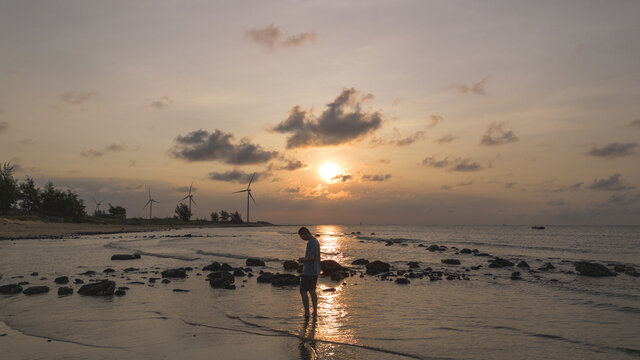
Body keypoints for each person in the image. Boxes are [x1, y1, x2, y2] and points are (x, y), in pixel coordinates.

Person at [297, 227, 320, 318]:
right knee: (312, 290)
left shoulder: (311, 242)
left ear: (305, 233)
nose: (302, 238)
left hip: (309, 271)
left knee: (303, 291)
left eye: (301, 236)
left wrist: (303, 260)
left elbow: (311, 257)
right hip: (315, 270)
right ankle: (314, 311)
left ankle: (307, 313)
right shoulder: (315, 241)